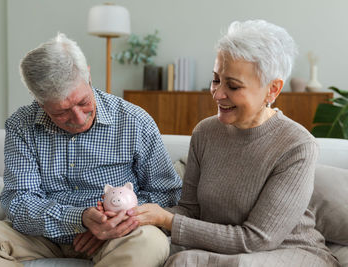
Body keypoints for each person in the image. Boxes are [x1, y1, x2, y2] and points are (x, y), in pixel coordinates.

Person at [0, 33, 182, 267]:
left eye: (83, 102)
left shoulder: (134, 121)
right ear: (39, 100)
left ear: (88, 75)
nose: (78, 118)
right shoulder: (21, 126)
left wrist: (111, 224)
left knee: (151, 243)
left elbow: (167, 194)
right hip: (41, 237)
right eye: (61, 112)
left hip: (117, 237)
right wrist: (79, 219)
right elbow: (18, 201)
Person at [129, 20, 341, 266]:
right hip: (227, 253)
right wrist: (139, 215)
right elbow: (189, 212)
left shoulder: (297, 145)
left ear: (272, 89)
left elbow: (257, 240)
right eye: (216, 79)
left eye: (233, 85)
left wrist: (167, 221)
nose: (217, 94)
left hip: (292, 252)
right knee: (181, 260)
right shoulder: (205, 132)